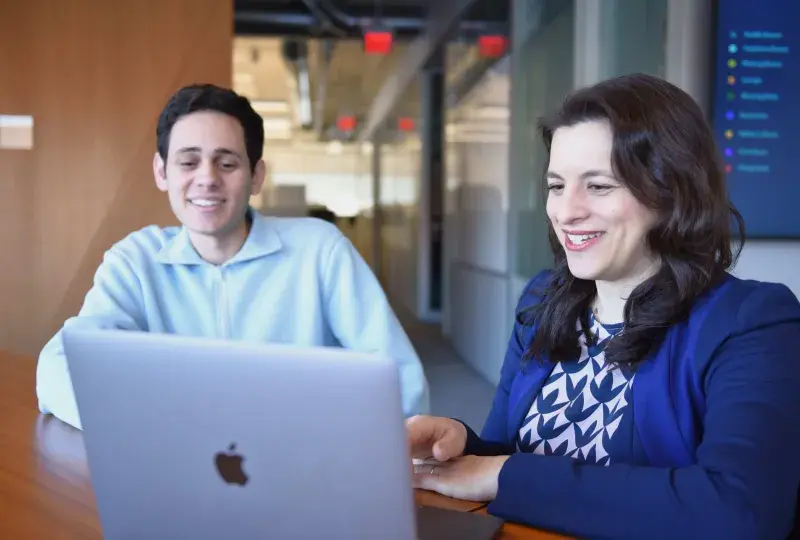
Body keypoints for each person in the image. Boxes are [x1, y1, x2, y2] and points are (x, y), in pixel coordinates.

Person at [407, 73, 800, 539]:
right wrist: (460, 444)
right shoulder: (543, 301)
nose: (566, 211)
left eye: (599, 186)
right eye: (556, 185)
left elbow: (737, 512)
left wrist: (501, 475)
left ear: (670, 192)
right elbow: (508, 450)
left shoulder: (752, 322)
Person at [36, 84, 429, 430]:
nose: (207, 178)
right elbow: (57, 366)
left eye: (227, 163)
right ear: (162, 172)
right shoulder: (135, 261)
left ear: (256, 176)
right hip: (176, 472)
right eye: (188, 162)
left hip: (304, 468)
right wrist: (153, 423)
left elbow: (400, 383)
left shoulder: (319, 250)